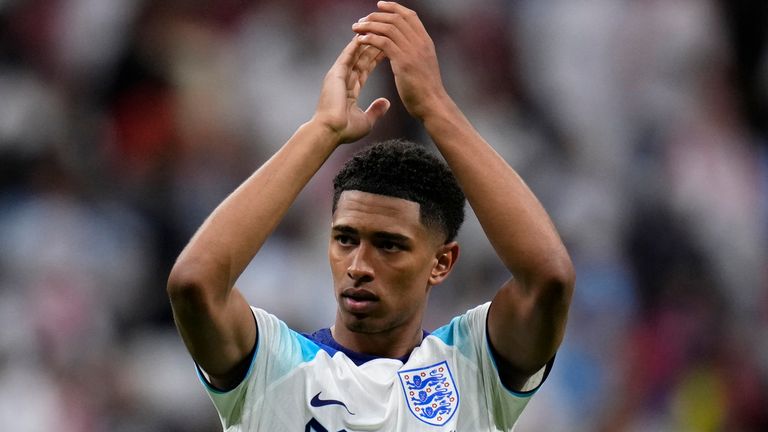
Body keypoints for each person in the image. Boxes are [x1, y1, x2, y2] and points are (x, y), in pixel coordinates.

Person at [167, 1, 574, 430]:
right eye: (345, 239)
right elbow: (195, 284)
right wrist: (321, 131)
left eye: (389, 245)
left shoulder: (472, 365)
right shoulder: (272, 365)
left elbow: (549, 279)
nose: (359, 266)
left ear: (441, 263)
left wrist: (436, 106)